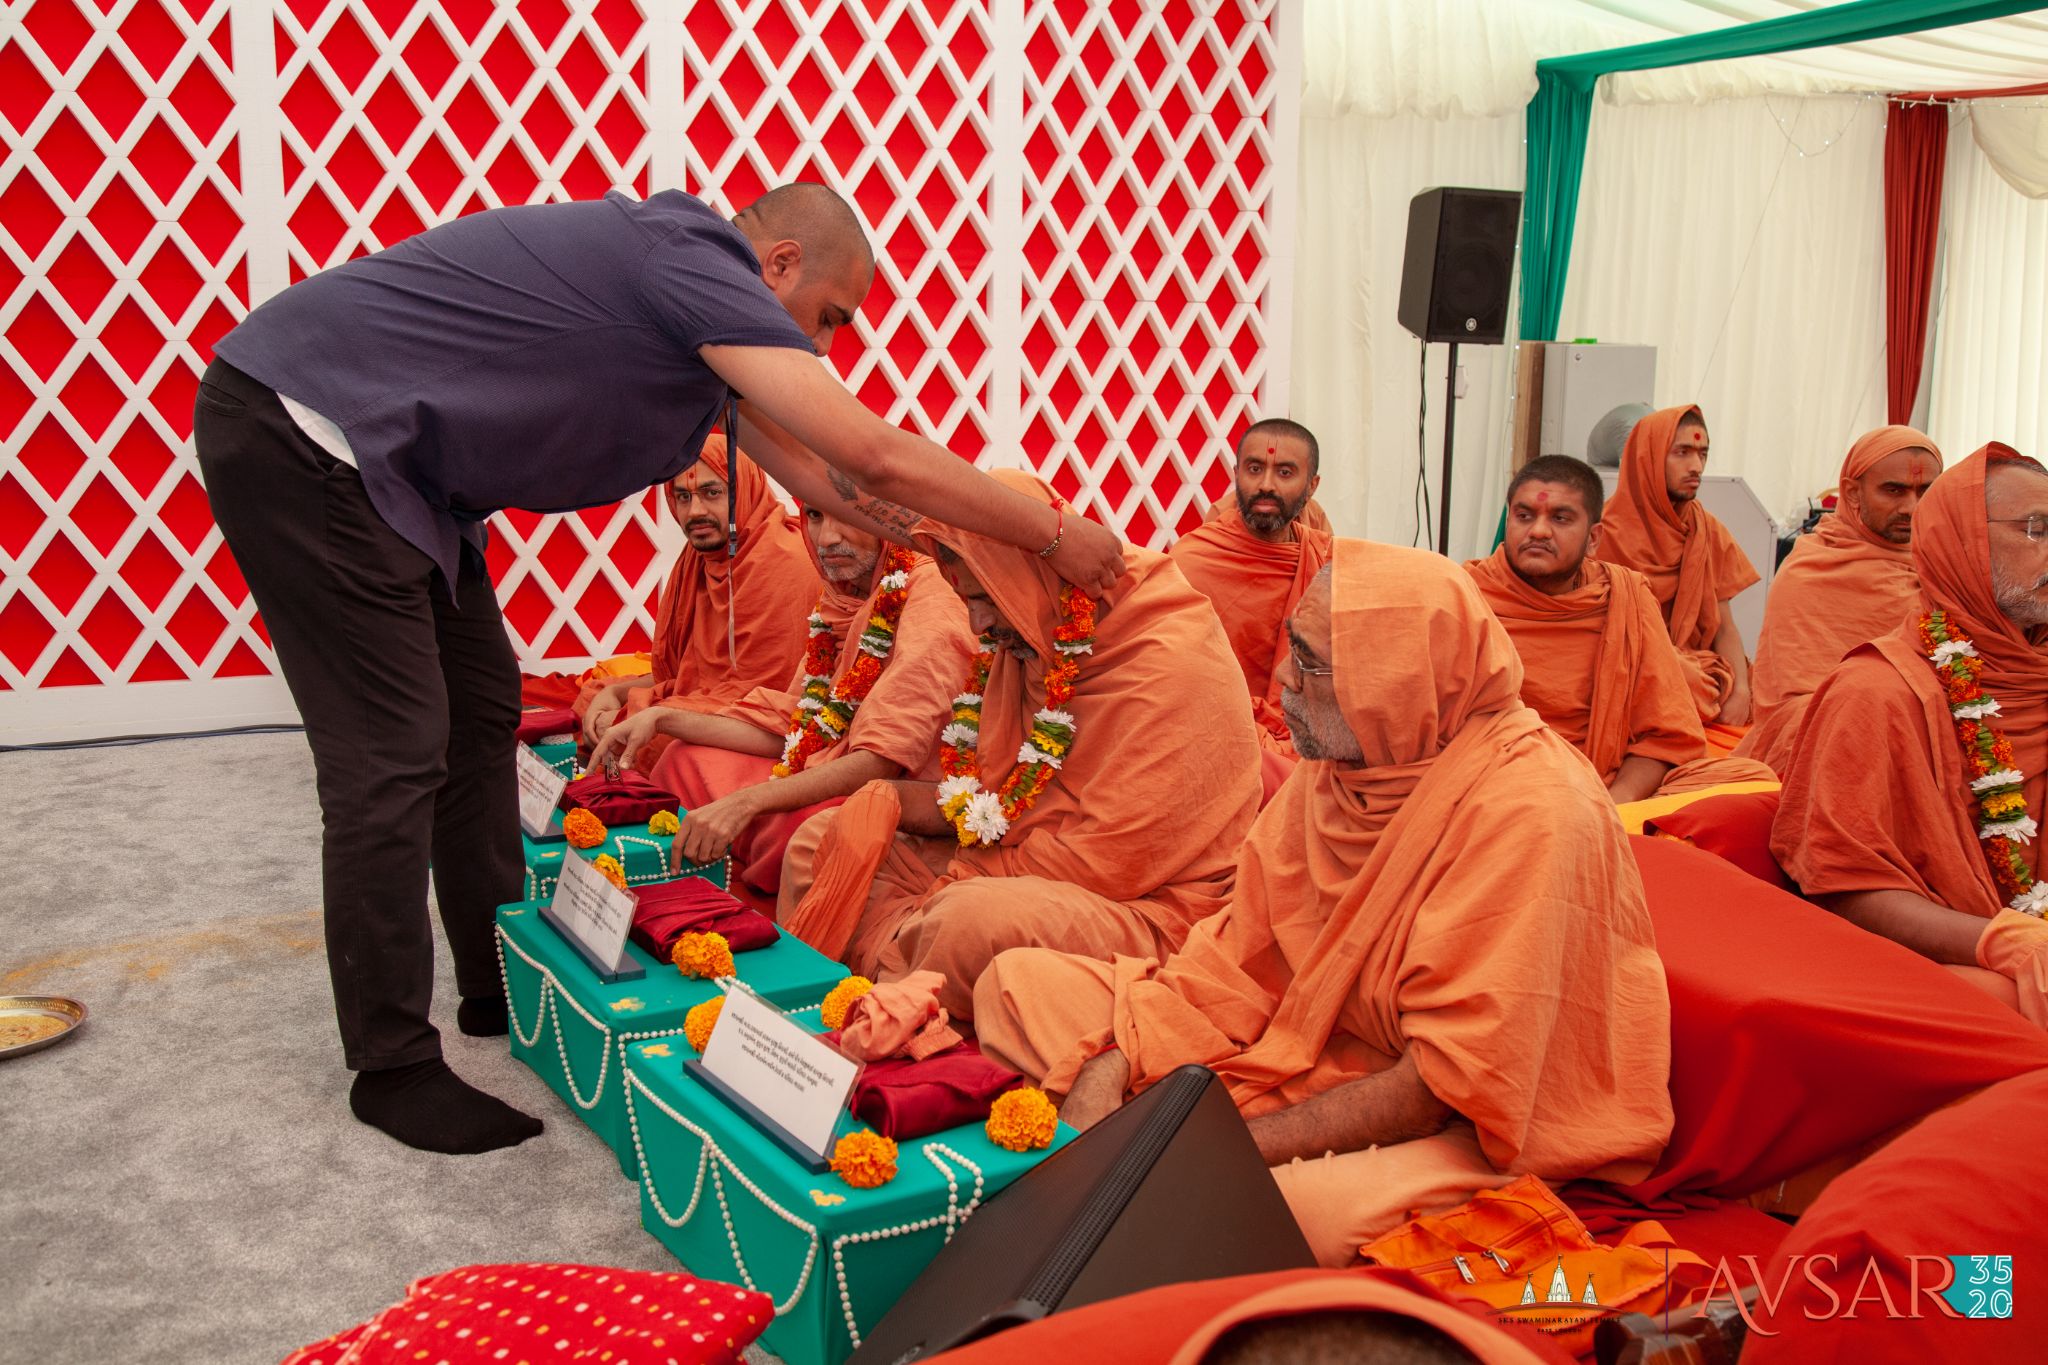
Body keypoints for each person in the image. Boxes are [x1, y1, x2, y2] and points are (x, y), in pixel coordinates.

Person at [194, 182, 1123, 1155]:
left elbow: (827, 482)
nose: (824, 349)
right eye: (830, 319)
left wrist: (953, 551)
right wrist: (1055, 533)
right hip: (315, 431)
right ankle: (390, 1065)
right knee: (391, 753)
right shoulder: (694, 264)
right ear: (779, 267)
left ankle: (490, 983)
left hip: (407, 473)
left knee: (480, 712)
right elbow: (868, 454)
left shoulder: (702, 332)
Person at [975, 542, 1673, 1266]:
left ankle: (1171, 1166)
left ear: (1395, 681)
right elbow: (1232, 959)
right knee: (1016, 986)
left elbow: (1439, 1085)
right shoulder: (1351, 761)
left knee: (1299, 1211)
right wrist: (1117, 1060)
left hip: (1462, 1115)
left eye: (1309, 663)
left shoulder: (1531, 807)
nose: (1280, 680)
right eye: (1292, 651)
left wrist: (1190, 1138)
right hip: (1296, 1036)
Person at [776, 470, 1262, 1018]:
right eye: (965, 599)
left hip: (1146, 903)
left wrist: (961, 877)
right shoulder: (1028, 640)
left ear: (1030, 573)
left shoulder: (1169, 660)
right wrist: (885, 801)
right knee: (825, 840)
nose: (978, 623)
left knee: (965, 923)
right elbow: (991, 804)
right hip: (1012, 862)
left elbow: (1115, 861)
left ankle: (889, 1003)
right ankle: (874, 983)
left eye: (987, 598)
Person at [1773, 443, 2048, 1027]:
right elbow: (1843, 887)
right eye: (2035, 529)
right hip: (1952, 958)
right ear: (1962, 545)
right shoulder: (1875, 693)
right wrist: (2003, 941)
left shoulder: (2040, 676)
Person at [590, 506, 972, 901]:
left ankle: (741, 881)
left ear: (888, 519)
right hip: (826, 763)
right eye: (816, 516)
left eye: (845, 516)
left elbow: (878, 762)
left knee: (806, 826)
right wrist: (663, 718)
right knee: (682, 757)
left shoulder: (931, 601)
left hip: (895, 794)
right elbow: (797, 726)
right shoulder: (839, 596)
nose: (825, 539)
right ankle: (712, 866)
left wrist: (747, 802)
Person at [1466, 457, 1771, 802]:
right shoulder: (1466, 596)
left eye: (1560, 518)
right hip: (1497, 788)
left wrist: (1614, 805)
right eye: (1524, 516)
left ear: (1594, 538)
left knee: (1754, 784)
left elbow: (1666, 736)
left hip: (1602, 784)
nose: (1538, 531)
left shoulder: (1626, 598)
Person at [575, 435, 817, 756]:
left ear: (743, 489)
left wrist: (646, 713)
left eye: (711, 492)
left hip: (758, 719)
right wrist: (619, 693)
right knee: (595, 697)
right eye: (683, 497)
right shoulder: (701, 557)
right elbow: (688, 676)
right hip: (710, 699)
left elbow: (765, 701)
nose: (695, 511)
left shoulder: (783, 562)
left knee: (662, 743)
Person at [1737, 427, 1943, 774]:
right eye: (1894, 490)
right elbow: (1790, 708)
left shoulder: (1948, 565)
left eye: (1926, 491)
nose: (1912, 507)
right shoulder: (1811, 571)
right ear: (1852, 492)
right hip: (1835, 740)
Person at [1171, 420, 1335, 796]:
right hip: (1211, 734)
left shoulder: (1325, 557)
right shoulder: (1193, 560)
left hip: (1306, 735)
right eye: (1255, 468)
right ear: (1236, 475)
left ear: (1312, 486)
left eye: (1285, 472)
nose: (1266, 485)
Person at [1594, 406, 1759, 726]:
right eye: (1682, 452)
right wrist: (1673, 669)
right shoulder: (1602, 534)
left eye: (1702, 453)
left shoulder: (1706, 530)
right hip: (1631, 677)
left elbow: (1725, 627)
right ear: (1648, 457)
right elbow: (1599, 640)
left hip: (1700, 678)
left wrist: (1740, 691)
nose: (1696, 466)